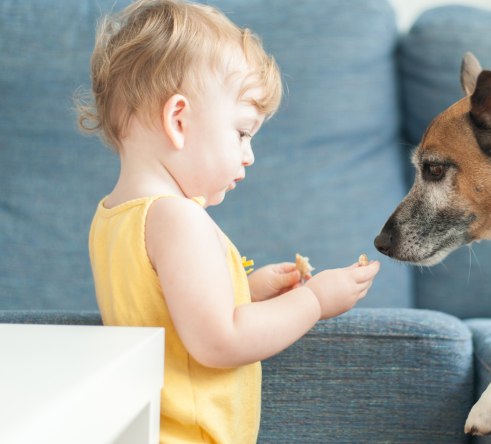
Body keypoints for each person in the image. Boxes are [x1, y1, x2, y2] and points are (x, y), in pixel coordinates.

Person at [79, 1, 380, 442]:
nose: (249, 154)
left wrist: (248, 292)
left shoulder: (110, 218)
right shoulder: (179, 218)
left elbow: (168, 317)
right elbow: (219, 342)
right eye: (242, 132)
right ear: (178, 120)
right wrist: (315, 300)